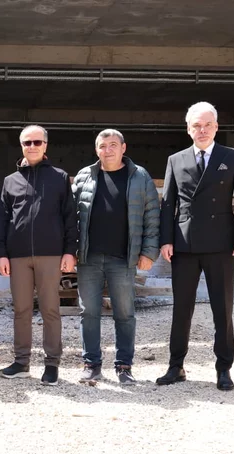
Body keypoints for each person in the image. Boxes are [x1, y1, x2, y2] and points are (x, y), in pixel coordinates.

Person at [156, 101, 234, 391]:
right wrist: (166, 239)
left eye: (207, 124)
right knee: (181, 309)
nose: (202, 130)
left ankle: (224, 368)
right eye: (196, 125)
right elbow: (168, 203)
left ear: (216, 127)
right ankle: (176, 366)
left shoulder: (232, 156)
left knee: (222, 310)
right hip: (184, 244)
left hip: (221, 244)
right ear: (188, 129)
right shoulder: (176, 159)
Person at [72, 129, 160, 385]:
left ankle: (124, 366)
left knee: (124, 313)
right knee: (89, 312)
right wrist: (69, 250)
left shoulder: (139, 177)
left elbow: (152, 216)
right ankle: (91, 364)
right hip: (88, 257)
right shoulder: (85, 176)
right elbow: (71, 217)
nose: (107, 150)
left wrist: (148, 252)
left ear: (123, 148)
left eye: (113, 145)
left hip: (123, 258)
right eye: (102, 146)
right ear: (96, 150)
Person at [0, 125, 78, 386]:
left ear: (45, 145)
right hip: (18, 256)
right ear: (21, 146)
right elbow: (2, 221)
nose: (32, 146)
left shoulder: (59, 177)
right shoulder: (10, 181)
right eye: (27, 142)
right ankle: (21, 362)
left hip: (50, 255)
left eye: (37, 142)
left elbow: (70, 217)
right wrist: (1, 254)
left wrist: (70, 251)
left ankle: (52, 364)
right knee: (21, 310)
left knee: (50, 309)